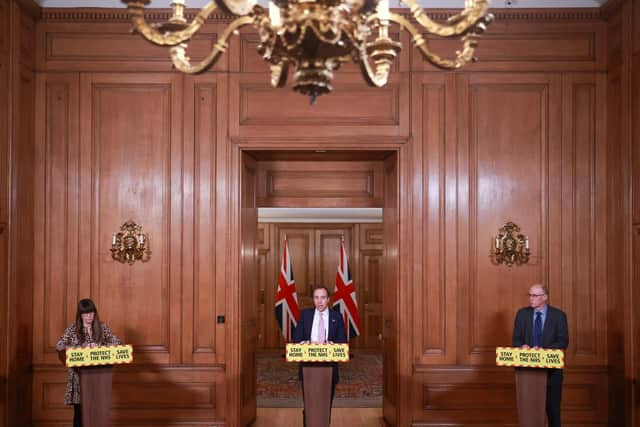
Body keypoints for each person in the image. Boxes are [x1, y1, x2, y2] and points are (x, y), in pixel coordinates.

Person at [56, 299, 122, 427]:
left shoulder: (102, 327)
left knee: (96, 413)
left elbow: (118, 343)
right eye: (85, 314)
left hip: (98, 379)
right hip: (78, 379)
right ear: (80, 315)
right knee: (80, 415)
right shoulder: (73, 329)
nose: (89, 317)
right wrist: (80, 348)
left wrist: (99, 346)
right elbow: (59, 346)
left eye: (91, 313)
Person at [512, 284, 569, 427]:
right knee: (529, 411)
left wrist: (543, 350)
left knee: (553, 411)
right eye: (530, 295)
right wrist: (522, 346)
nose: (531, 299)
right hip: (527, 372)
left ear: (545, 297)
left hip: (552, 372)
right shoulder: (522, 314)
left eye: (535, 296)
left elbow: (563, 341)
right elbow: (516, 339)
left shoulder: (558, 315)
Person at [293, 286, 347, 425]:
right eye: (316, 297)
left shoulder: (337, 317)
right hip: (308, 367)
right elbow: (296, 339)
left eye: (323, 297)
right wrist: (304, 343)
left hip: (329, 368)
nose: (319, 301)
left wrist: (332, 345)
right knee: (309, 404)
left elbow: (343, 342)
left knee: (325, 404)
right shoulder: (305, 315)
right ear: (313, 299)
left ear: (328, 299)